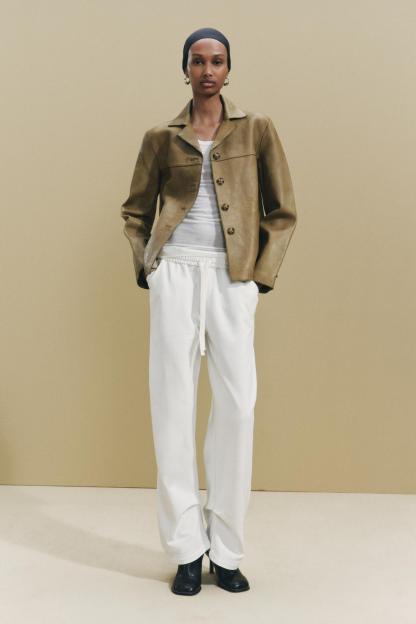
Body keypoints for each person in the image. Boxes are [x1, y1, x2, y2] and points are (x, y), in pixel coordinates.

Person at [121, 27, 297, 595]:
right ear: (185, 69)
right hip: (175, 272)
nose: (207, 70)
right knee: (172, 407)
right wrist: (150, 268)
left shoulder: (257, 129)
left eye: (217, 61)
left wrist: (258, 277)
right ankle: (186, 552)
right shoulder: (160, 137)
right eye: (198, 61)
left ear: (228, 69)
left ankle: (227, 550)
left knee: (237, 408)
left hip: (231, 278)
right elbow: (135, 211)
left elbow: (282, 211)